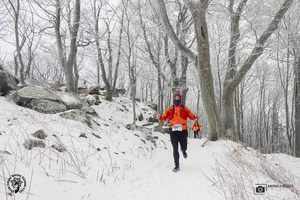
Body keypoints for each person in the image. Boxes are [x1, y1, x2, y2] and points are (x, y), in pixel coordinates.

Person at [159, 93, 198, 172]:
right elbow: (164, 116)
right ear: (174, 99)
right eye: (175, 98)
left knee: (184, 146)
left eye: (178, 98)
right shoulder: (170, 109)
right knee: (175, 148)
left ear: (180, 100)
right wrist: (159, 116)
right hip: (173, 131)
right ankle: (177, 166)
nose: (177, 100)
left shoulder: (184, 108)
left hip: (183, 131)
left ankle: (183, 151)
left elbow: (191, 115)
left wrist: (194, 116)